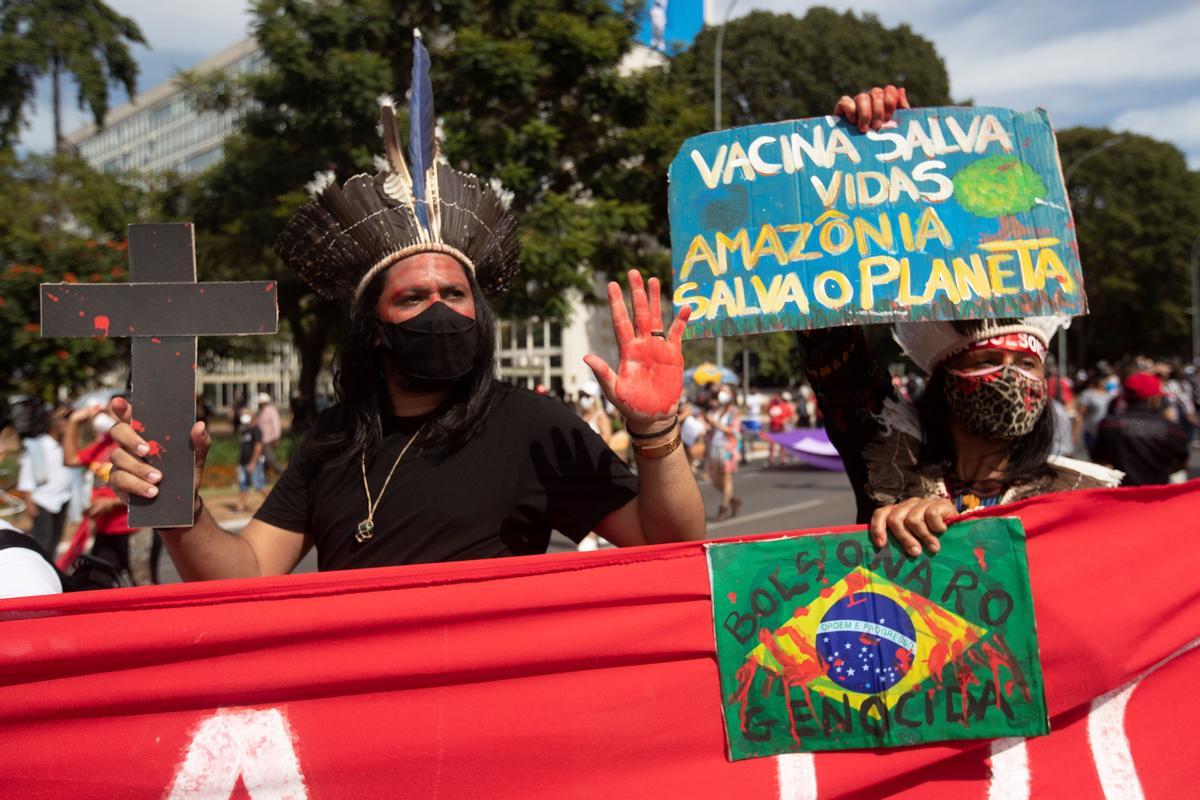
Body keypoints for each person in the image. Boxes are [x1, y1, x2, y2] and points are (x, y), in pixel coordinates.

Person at [105, 52, 704, 579]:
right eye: (413, 299)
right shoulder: (334, 438)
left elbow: (671, 546)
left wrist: (655, 433)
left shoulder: (532, 425)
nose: (440, 309)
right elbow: (248, 574)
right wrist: (179, 503)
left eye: (455, 293)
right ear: (374, 331)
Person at [801, 85, 1123, 556]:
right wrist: (875, 158)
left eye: (1026, 364)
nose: (1011, 376)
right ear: (943, 377)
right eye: (989, 359)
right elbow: (828, 334)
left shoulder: (1075, 498)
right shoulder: (891, 457)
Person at [62, 401, 158, 585]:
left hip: (134, 531)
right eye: (105, 412)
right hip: (105, 530)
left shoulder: (138, 444)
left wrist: (110, 503)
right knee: (96, 586)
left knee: (144, 586)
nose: (103, 417)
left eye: (110, 413)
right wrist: (73, 422)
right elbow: (71, 459)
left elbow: (150, 486)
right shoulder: (104, 443)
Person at [1092, 372, 1189, 486]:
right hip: (1156, 496)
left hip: (1120, 496)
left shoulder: (1109, 424)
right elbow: (1182, 461)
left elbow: (1099, 460)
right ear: (1154, 398)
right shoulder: (1171, 429)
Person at [14, 402, 74, 558]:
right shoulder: (37, 446)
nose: (66, 423)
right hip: (44, 502)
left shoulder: (65, 445)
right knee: (43, 542)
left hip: (62, 499)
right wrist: (29, 501)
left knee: (55, 540)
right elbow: (26, 475)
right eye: (63, 419)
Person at [705, 386, 742, 520]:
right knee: (714, 480)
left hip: (727, 449)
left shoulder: (734, 412)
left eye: (725, 392)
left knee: (726, 479)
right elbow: (711, 429)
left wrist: (714, 424)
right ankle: (733, 499)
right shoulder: (716, 410)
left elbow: (734, 431)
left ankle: (724, 508)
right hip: (714, 448)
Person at [235, 410, 265, 513]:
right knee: (243, 486)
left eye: (246, 414)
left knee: (258, 485)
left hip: (254, 464)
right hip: (243, 463)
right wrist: (239, 462)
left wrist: (253, 463)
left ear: (252, 417)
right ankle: (240, 507)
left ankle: (273, 505)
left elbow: (258, 447)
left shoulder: (256, 430)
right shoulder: (244, 430)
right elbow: (242, 448)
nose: (243, 416)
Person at [255, 392, 283, 477]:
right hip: (262, 441)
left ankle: (284, 474)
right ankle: (265, 479)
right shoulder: (261, 411)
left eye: (260, 402)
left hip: (269, 440)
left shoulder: (271, 410)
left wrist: (277, 438)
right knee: (264, 461)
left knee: (271, 460)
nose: (258, 404)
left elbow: (276, 424)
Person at [765, 393, 794, 467]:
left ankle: (783, 459)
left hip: (781, 428)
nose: (776, 399)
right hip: (773, 428)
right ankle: (770, 460)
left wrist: (785, 422)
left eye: (777, 397)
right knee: (771, 445)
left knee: (782, 445)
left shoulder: (785, 406)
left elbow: (790, 416)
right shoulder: (772, 405)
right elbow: (767, 412)